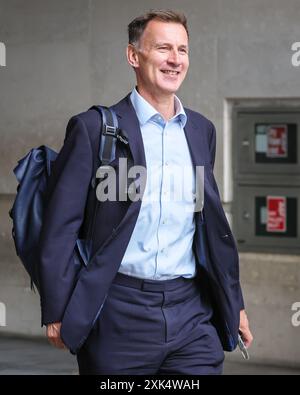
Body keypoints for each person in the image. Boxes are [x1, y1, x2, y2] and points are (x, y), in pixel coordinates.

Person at [39, 9, 253, 375]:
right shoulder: (94, 129)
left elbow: (208, 226)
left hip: (191, 312)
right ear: (133, 56)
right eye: (163, 48)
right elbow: (60, 226)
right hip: (119, 311)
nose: (175, 60)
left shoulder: (201, 131)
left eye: (182, 50)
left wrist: (234, 303)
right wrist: (58, 307)